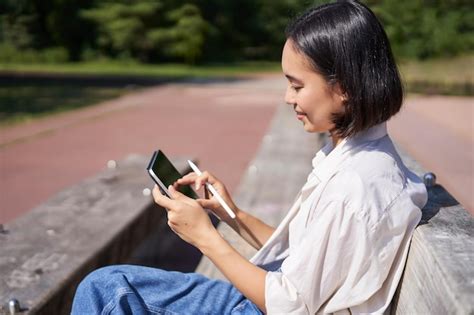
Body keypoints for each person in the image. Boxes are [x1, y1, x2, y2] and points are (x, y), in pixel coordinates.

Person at [71, 1, 427, 314]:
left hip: (268, 304)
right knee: (108, 285)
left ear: (345, 87)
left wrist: (206, 239)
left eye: (297, 85)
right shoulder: (357, 157)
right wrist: (232, 214)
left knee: (107, 291)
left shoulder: (355, 187)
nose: (288, 98)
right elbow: (305, 254)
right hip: (270, 292)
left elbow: (290, 305)